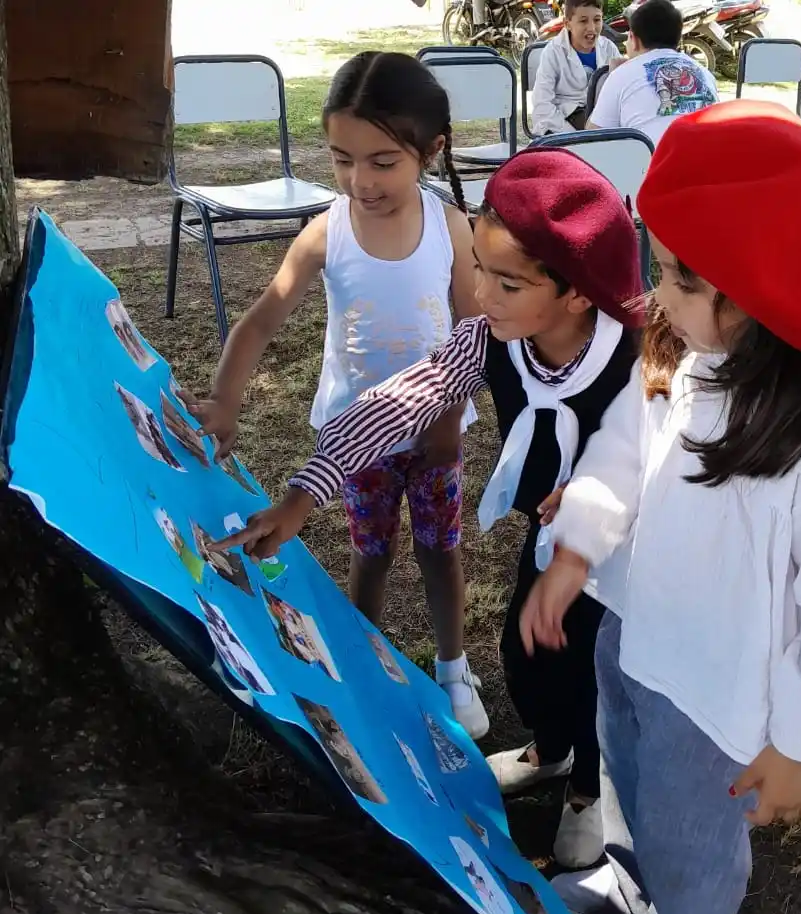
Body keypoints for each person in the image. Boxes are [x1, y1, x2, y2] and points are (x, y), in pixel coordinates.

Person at [521, 100, 801, 914]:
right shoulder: (690, 354)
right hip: (634, 642)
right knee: (625, 780)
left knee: (691, 848)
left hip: (715, 697)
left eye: (683, 280)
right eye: (662, 268)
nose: (659, 294)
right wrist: (578, 545)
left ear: (771, 287)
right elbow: (622, 449)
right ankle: (623, 883)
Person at [213, 148, 645, 869]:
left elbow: (670, 448)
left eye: (506, 282)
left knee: (600, 668)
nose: (481, 293)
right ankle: (552, 749)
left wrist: (609, 499)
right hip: (549, 540)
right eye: (478, 268)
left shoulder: (636, 357)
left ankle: (589, 790)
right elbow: (397, 403)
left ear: (576, 294)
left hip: (632, 553)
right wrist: (304, 493)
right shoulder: (490, 339)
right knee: (526, 651)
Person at [180, 52, 488, 738]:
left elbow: (471, 332)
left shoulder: (450, 228)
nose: (360, 180)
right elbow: (261, 319)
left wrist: (446, 416)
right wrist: (225, 401)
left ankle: (451, 666)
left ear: (431, 151)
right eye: (342, 159)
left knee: (441, 549)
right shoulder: (328, 229)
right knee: (369, 553)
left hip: (436, 432)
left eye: (383, 161)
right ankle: (360, 659)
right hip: (353, 442)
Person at [588, 0, 717, 146]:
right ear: (678, 38)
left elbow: (592, 137)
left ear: (633, 39)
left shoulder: (621, 75)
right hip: (708, 163)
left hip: (650, 166)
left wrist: (610, 77)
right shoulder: (705, 73)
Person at [531, 0, 622, 137]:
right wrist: (573, 137)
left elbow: (622, 91)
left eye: (597, 20)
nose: (591, 28)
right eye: (583, 21)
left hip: (601, 118)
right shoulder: (553, 52)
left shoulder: (609, 48)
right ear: (567, 23)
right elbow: (542, 104)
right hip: (564, 120)